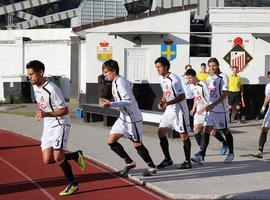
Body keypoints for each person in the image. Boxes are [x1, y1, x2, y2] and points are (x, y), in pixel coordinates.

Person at [26, 60, 86, 196]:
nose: (29, 77)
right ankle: (75, 155)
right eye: (28, 75)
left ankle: (73, 184)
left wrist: (46, 113)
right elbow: (41, 104)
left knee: (58, 157)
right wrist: (39, 112)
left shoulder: (53, 89)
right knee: (47, 159)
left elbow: (65, 110)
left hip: (60, 124)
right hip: (48, 125)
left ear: (41, 73)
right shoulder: (35, 87)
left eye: (31, 74)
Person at [100, 59, 157, 177]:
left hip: (132, 119)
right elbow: (128, 91)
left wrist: (110, 104)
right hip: (123, 118)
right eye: (103, 72)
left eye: (106, 72)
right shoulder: (115, 82)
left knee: (137, 144)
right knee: (111, 141)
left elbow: (128, 101)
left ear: (114, 71)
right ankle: (129, 162)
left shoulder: (120, 82)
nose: (104, 75)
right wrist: (110, 102)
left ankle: (152, 167)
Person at [191, 58, 234, 164]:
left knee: (225, 131)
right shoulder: (209, 78)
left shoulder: (223, 77)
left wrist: (213, 105)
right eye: (209, 66)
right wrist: (205, 105)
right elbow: (209, 94)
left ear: (218, 65)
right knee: (206, 130)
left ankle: (231, 153)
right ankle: (202, 155)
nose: (211, 68)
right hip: (211, 111)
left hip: (221, 110)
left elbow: (224, 94)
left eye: (213, 65)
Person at [155, 57, 192, 170]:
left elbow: (182, 96)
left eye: (159, 67)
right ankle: (168, 159)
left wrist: (168, 102)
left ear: (166, 67)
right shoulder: (162, 79)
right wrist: (162, 101)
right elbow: (165, 93)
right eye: (156, 67)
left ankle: (187, 161)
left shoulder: (174, 79)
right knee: (161, 132)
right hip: (169, 110)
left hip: (179, 111)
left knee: (183, 134)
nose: (158, 69)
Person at [185, 68, 228, 158]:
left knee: (212, 132)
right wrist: (193, 109)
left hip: (206, 111)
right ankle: (201, 151)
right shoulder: (192, 86)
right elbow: (196, 98)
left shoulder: (203, 85)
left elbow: (210, 100)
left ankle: (225, 143)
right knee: (196, 130)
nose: (188, 80)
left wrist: (203, 109)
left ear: (194, 76)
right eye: (187, 78)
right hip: (198, 111)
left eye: (189, 78)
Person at [252, 71, 270, 159]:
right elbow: (267, 97)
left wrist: (263, 106)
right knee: (264, 129)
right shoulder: (268, 86)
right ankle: (260, 151)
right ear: (268, 78)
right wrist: (264, 107)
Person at [180, 64, 194, 129]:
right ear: (185, 70)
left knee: (191, 113)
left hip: (192, 97)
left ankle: (191, 126)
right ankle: (183, 126)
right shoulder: (181, 77)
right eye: (188, 69)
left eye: (190, 69)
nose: (189, 70)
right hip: (184, 98)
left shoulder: (193, 77)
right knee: (184, 113)